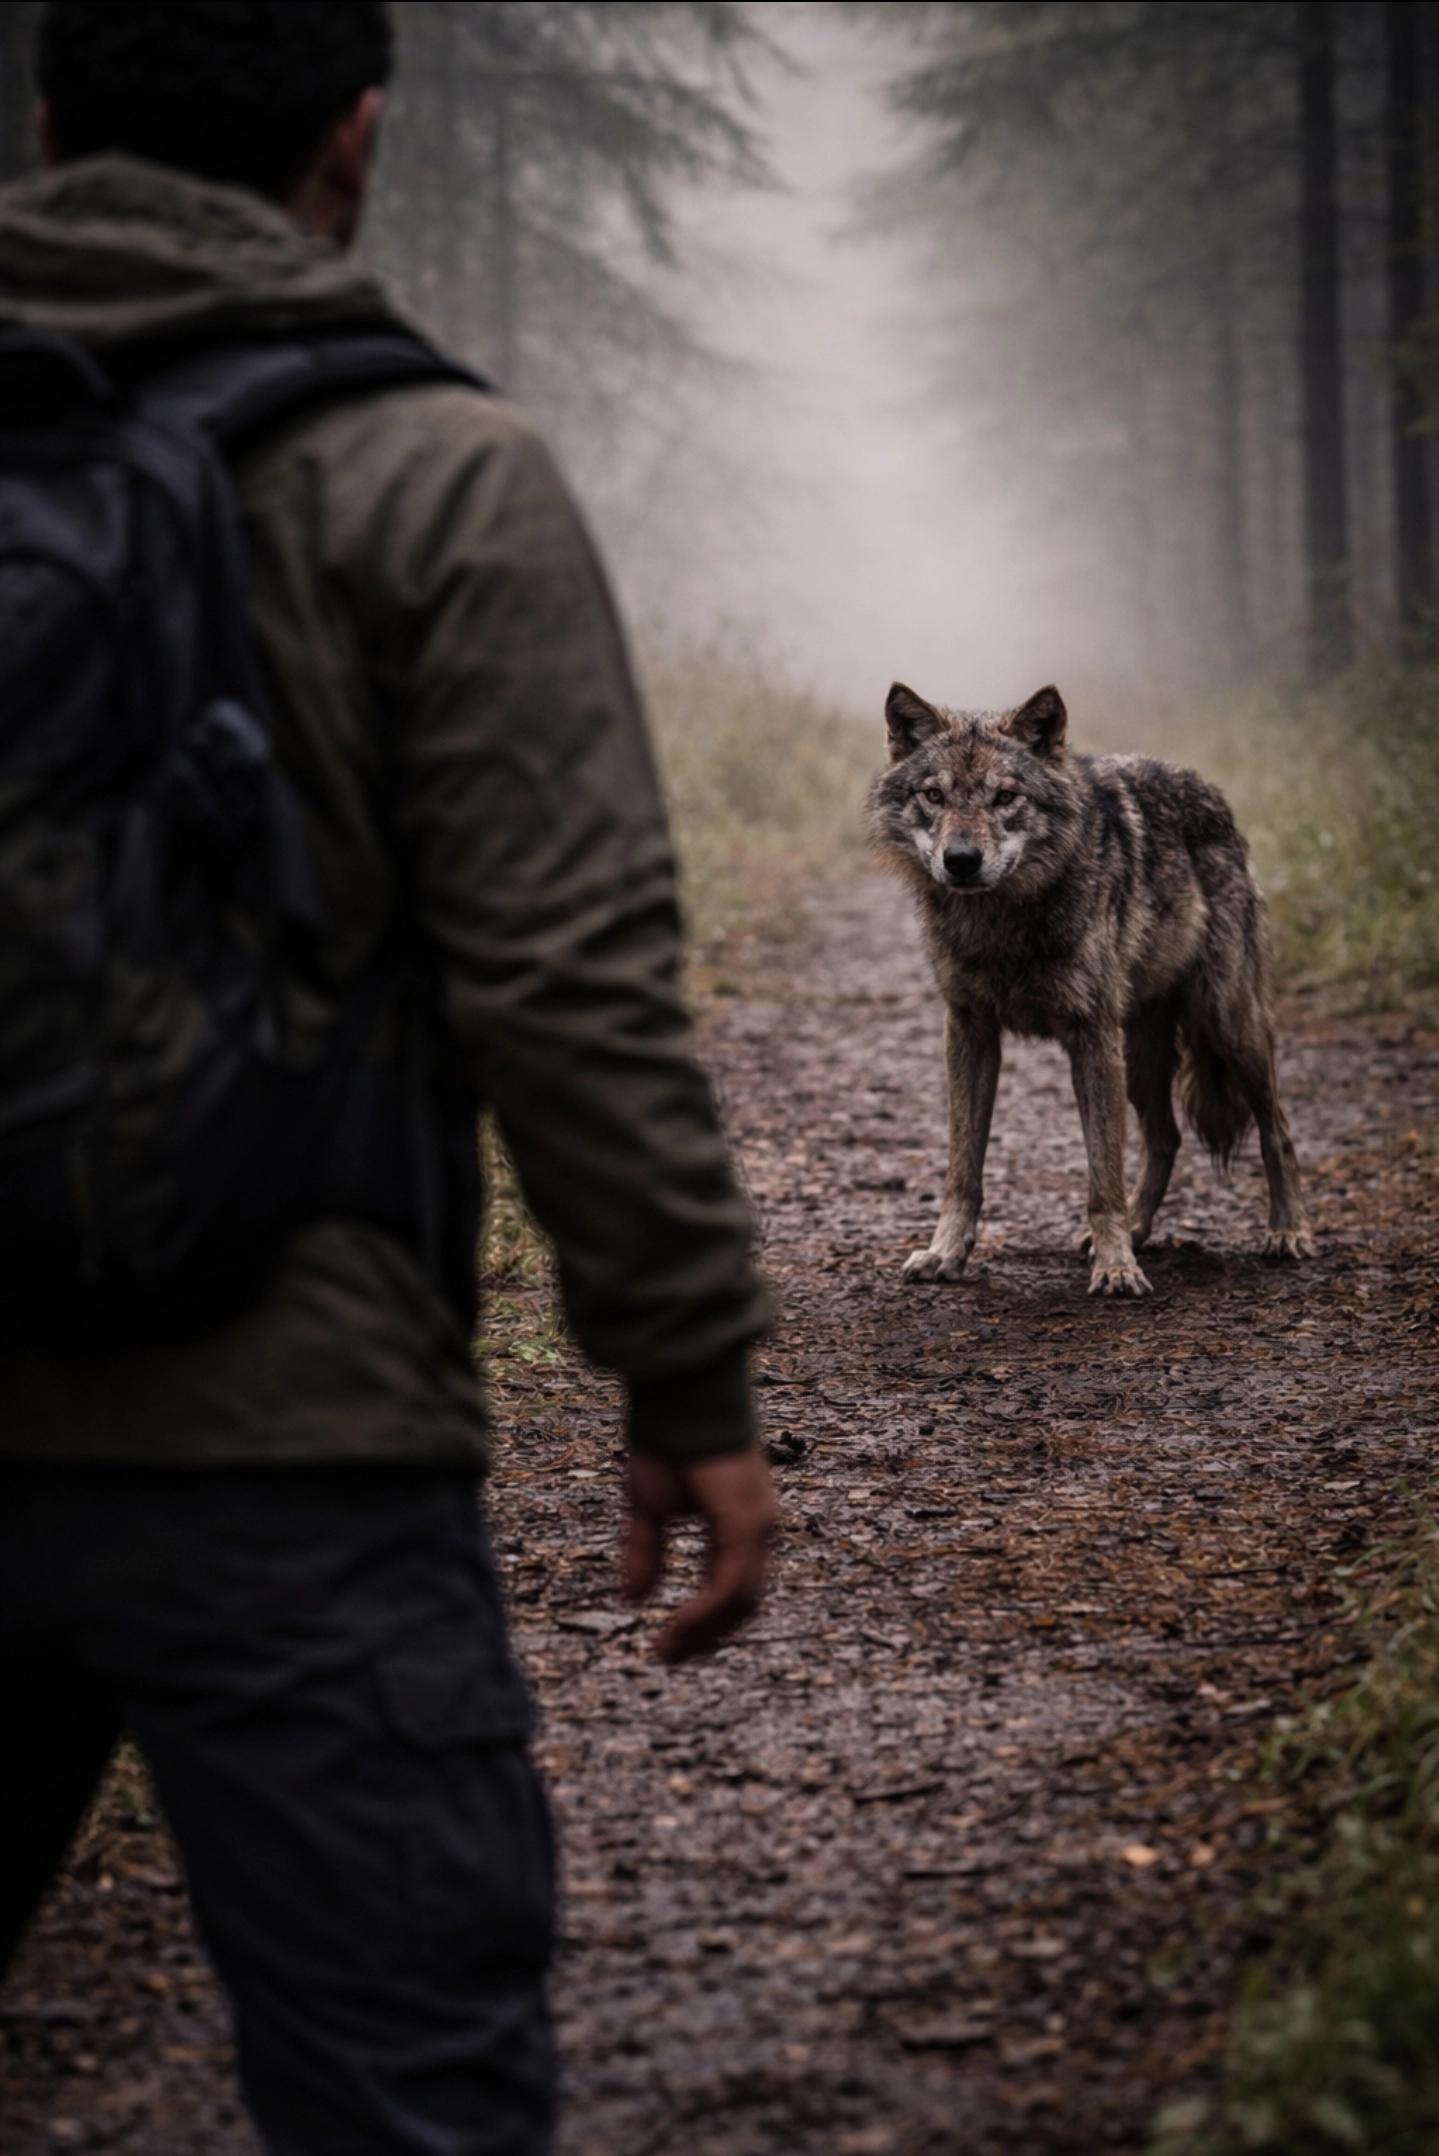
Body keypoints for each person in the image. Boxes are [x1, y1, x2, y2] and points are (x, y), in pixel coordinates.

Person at [0, 5, 776, 2150]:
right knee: (399, 2090)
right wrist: (683, 1378)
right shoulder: (434, 473)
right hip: (293, 1433)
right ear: (359, 137)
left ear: (49, 127)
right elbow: (572, 980)